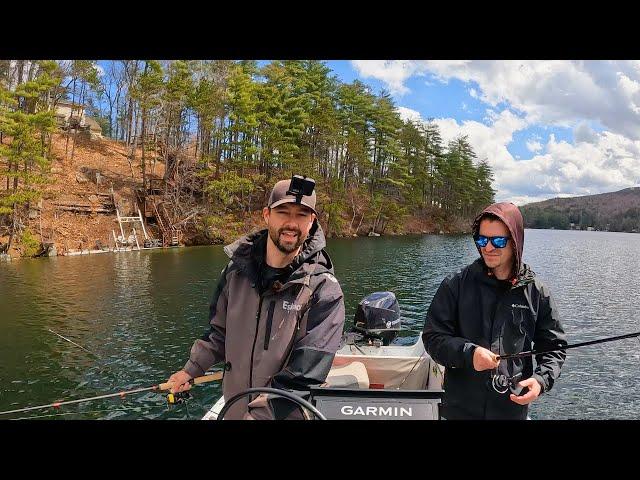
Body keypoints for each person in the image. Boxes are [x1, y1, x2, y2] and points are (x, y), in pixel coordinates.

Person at [167, 176, 345, 420]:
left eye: (302, 215)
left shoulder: (324, 290)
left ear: (312, 222)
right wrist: (190, 370)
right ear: (266, 215)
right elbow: (218, 334)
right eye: (283, 212)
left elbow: (304, 375)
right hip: (233, 410)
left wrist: (258, 416)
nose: (292, 223)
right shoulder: (235, 273)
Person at [422, 202, 567, 419]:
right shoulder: (456, 285)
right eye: (482, 240)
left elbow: (553, 346)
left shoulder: (536, 291)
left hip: (511, 411)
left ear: (515, 241)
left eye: (498, 241)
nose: (488, 248)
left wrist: (541, 381)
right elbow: (433, 338)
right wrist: (469, 354)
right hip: (460, 411)